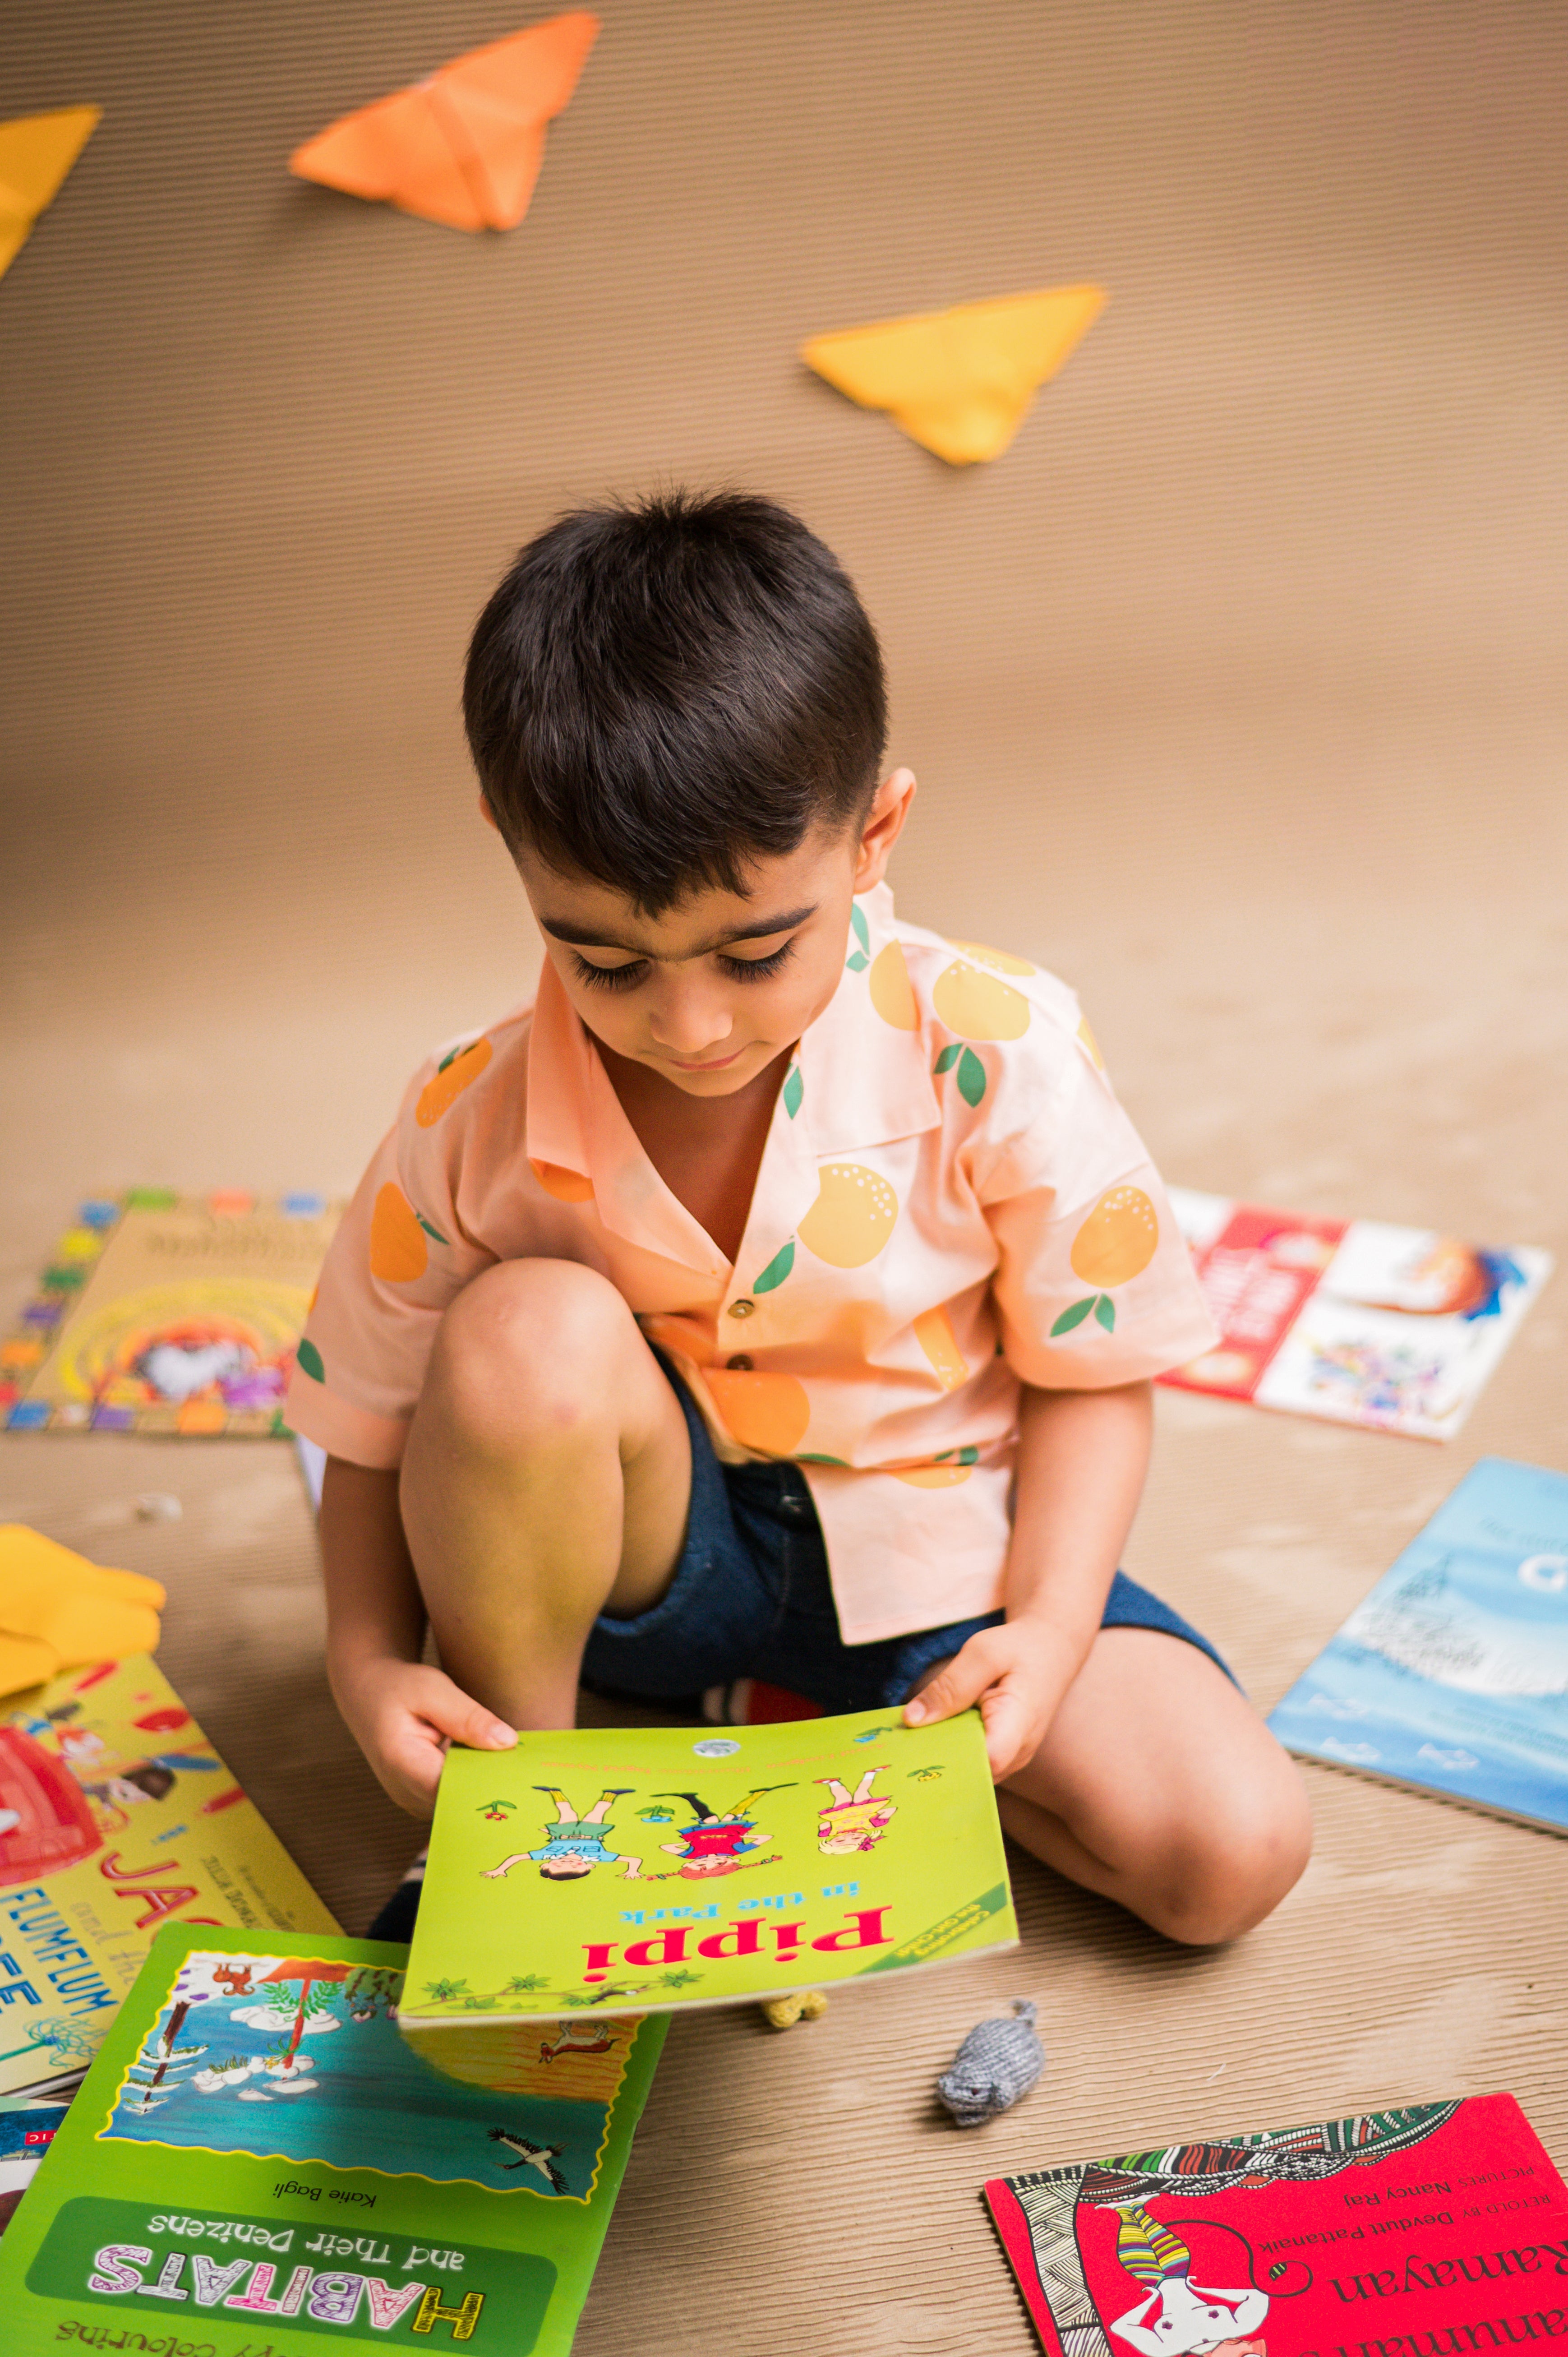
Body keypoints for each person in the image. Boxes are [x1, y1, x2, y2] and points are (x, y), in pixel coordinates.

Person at [286, 490, 1311, 1947]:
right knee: (524, 1327)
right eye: (603, 962)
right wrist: (367, 1662)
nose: (688, 1024)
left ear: (875, 831)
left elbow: (1096, 1375)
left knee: (1230, 1857)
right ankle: (538, 1798)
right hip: (646, 1568)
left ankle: (782, 1732)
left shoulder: (997, 1046)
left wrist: (1049, 1627)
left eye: (755, 950)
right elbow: (365, 1420)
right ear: (510, 851)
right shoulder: (472, 1109)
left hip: (943, 1557)